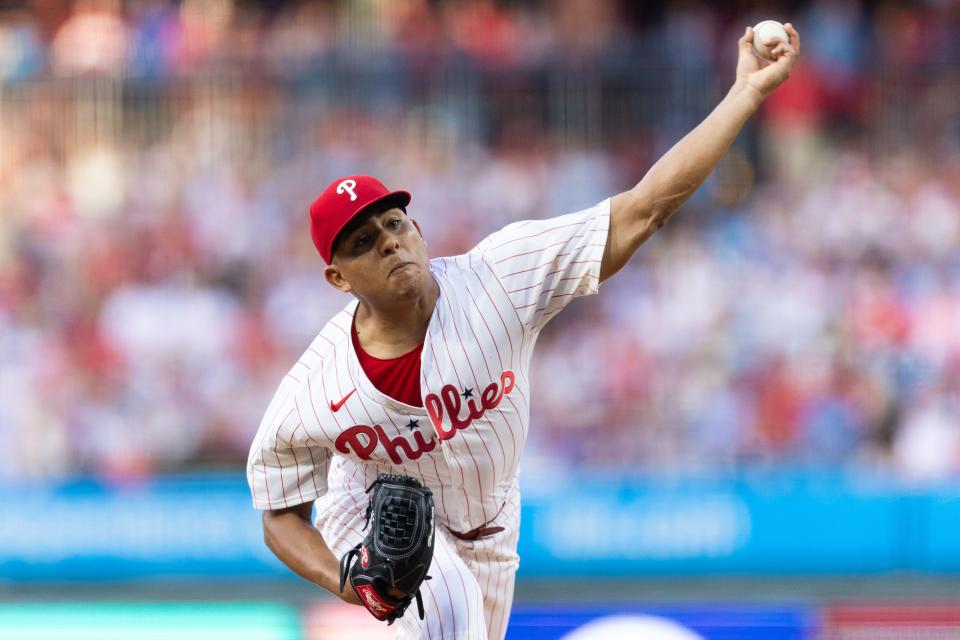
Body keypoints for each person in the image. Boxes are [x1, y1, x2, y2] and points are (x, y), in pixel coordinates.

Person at [247, 24, 800, 640]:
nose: (388, 242)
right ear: (337, 277)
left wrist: (745, 94)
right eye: (362, 242)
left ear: (418, 227)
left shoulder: (500, 279)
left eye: (394, 223)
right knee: (446, 614)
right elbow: (278, 513)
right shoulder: (319, 384)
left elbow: (643, 209)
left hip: (491, 523)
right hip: (375, 517)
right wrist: (344, 580)